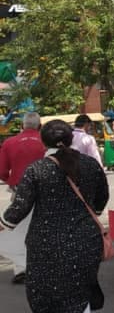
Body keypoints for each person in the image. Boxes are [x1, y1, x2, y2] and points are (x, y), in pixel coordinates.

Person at [0, 119, 109, 313]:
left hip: (44, 242)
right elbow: (101, 199)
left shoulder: (37, 169)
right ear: (71, 139)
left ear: (42, 140)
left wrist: (3, 224)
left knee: (42, 291)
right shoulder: (90, 165)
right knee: (79, 295)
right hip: (84, 240)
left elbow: (18, 209)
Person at [0, 112, 46, 284]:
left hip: (20, 191)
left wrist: (11, 182)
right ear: (40, 126)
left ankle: (22, 267)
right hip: (45, 191)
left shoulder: (9, 143)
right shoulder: (45, 142)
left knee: (18, 229)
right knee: (43, 229)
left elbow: (1, 171)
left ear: (22, 126)